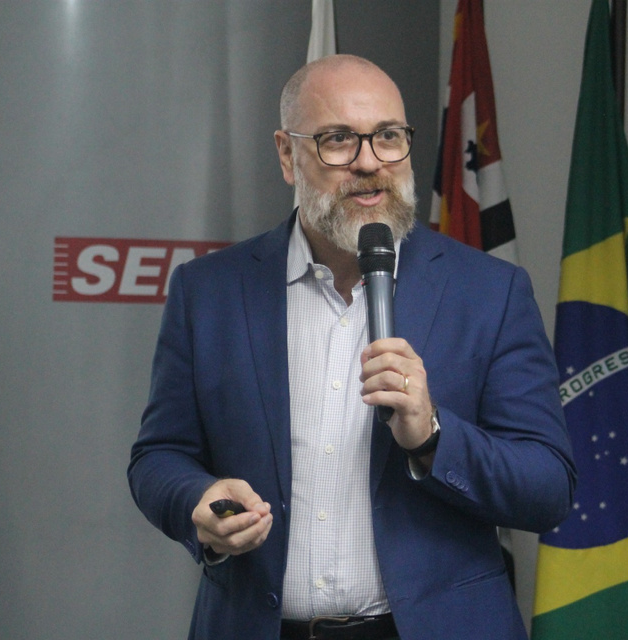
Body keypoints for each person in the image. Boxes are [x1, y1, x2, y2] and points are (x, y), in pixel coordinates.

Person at [128, 54, 575, 640]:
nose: (369, 163)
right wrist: (199, 501)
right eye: (338, 139)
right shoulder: (208, 291)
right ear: (287, 155)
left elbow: (547, 487)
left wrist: (432, 436)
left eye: (388, 136)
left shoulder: (490, 292)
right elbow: (158, 457)